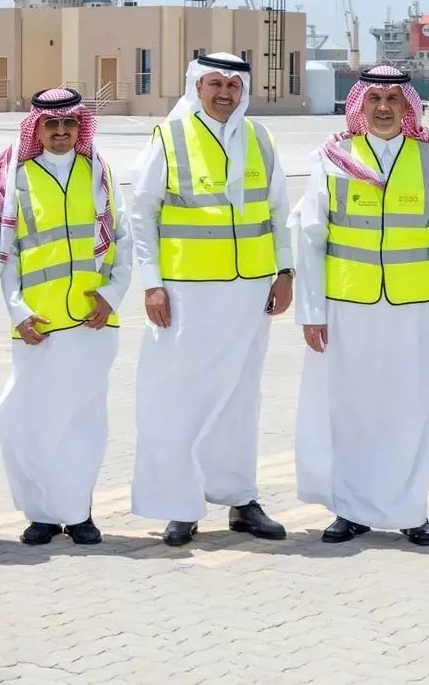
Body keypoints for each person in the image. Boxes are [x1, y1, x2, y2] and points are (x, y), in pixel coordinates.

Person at [292, 66, 429, 546]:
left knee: (411, 408)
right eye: (374, 99)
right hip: (348, 306)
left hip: (417, 309)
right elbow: (310, 240)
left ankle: (411, 510)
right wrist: (311, 312)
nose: (384, 108)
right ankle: (351, 510)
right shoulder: (334, 159)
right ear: (360, 105)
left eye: (394, 99)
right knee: (351, 409)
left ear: (409, 105)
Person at [129, 52, 294, 546]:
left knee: (241, 398)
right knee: (184, 398)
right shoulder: (170, 137)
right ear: (197, 87)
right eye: (215, 84)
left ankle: (241, 499)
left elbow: (278, 210)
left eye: (232, 85)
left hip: (250, 290)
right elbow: (142, 213)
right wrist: (152, 283)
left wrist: (285, 272)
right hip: (187, 292)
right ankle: (182, 504)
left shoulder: (260, 138)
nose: (224, 93)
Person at [0, 88, 130, 545]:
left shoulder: (99, 174)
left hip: (93, 320)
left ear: (80, 126)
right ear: (37, 128)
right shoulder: (18, 179)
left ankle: (78, 512)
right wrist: (17, 311)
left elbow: (123, 241)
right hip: (40, 324)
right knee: (30, 420)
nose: (61, 132)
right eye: (51, 124)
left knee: (83, 423)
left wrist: (112, 296)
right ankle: (43, 514)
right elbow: (7, 254)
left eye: (69, 123)